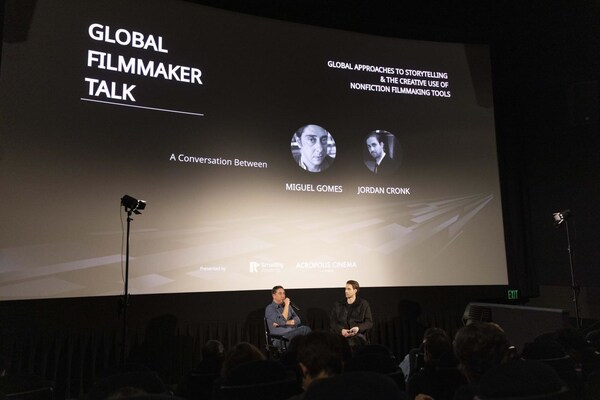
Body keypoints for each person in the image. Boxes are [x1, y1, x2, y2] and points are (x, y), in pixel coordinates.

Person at [330, 280, 373, 351]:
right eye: (345, 289)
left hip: (357, 335)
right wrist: (341, 330)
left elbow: (369, 322)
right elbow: (333, 322)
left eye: (349, 289)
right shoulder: (338, 305)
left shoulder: (363, 304)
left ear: (355, 290)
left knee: (356, 342)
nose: (346, 291)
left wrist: (358, 328)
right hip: (342, 334)